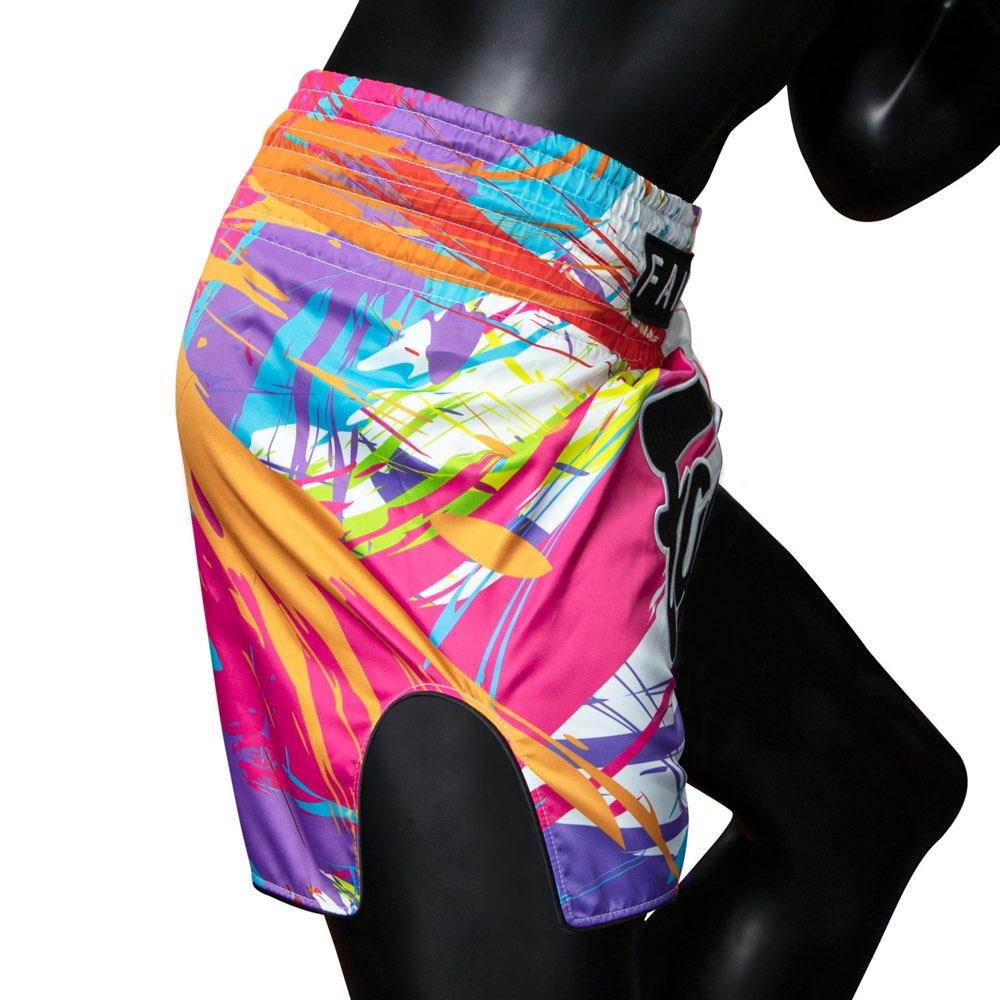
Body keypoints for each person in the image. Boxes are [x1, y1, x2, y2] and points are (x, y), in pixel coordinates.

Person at [176, 2, 997, 997]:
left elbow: (866, 140)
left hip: (537, 307)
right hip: (412, 340)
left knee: (853, 792)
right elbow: (873, 142)